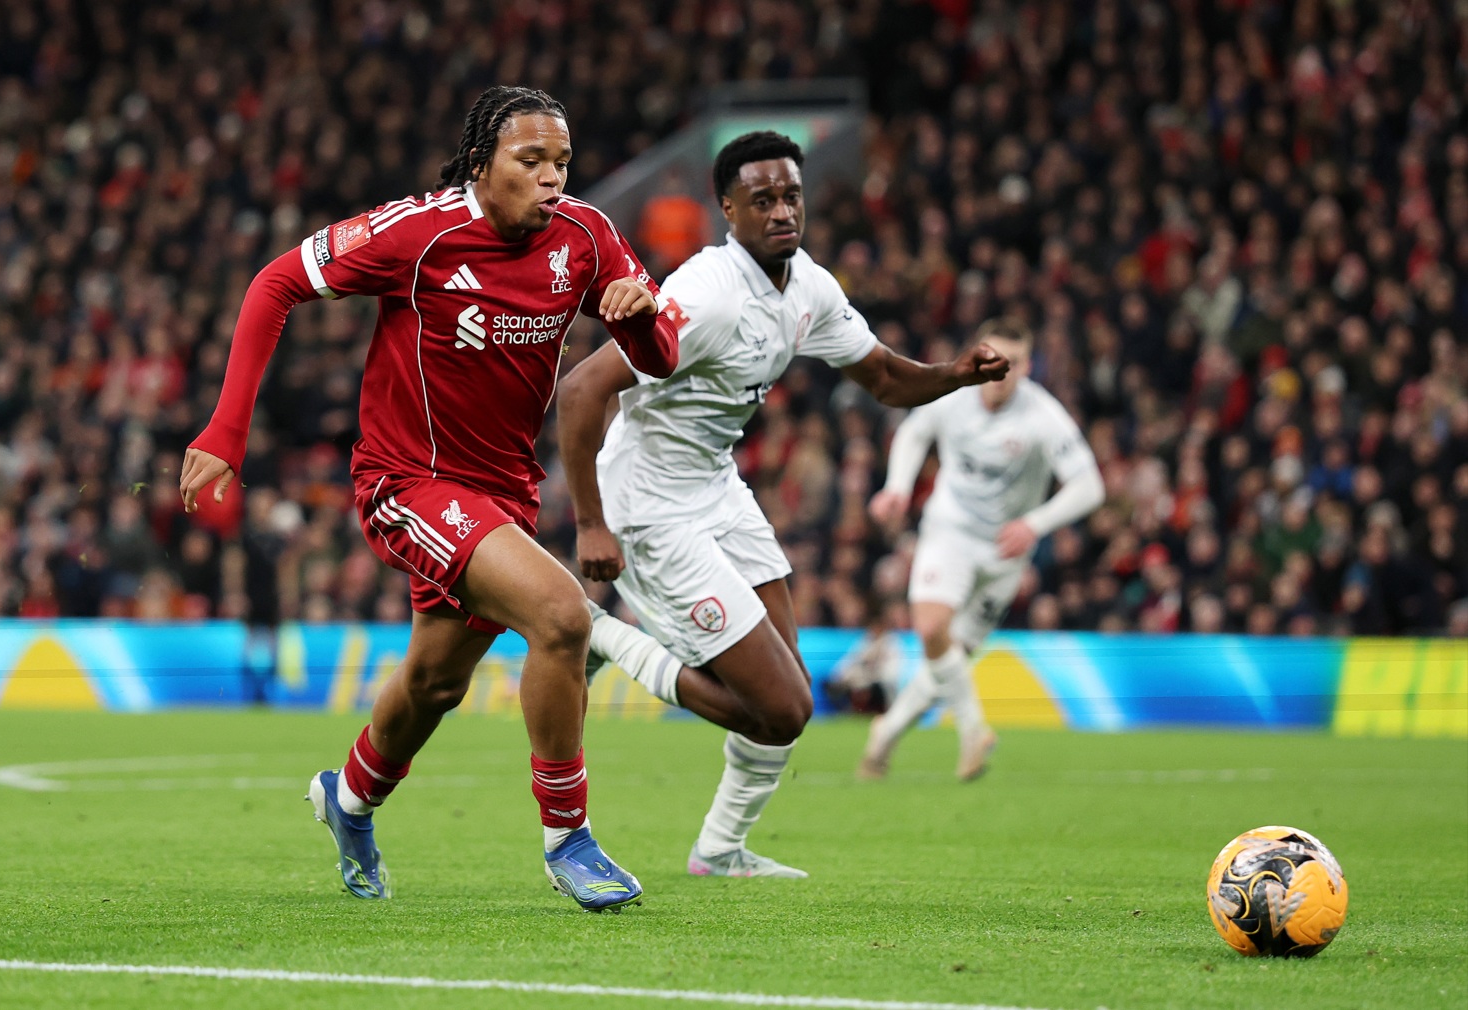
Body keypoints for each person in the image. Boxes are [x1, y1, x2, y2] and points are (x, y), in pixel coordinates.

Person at [180, 86, 678, 911]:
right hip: (406, 482)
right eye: (530, 161)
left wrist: (638, 316)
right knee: (561, 616)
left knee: (434, 685)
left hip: (504, 495)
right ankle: (568, 837)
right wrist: (227, 431)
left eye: (561, 162)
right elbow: (275, 284)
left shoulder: (586, 236)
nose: (552, 178)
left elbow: (657, 357)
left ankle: (345, 802)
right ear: (482, 166)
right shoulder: (415, 232)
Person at [556, 131, 1009, 878]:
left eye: (790, 195)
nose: (780, 211)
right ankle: (602, 637)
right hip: (650, 507)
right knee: (782, 709)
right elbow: (581, 391)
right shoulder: (703, 295)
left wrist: (957, 373)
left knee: (786, 690)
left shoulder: (809, 288)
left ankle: (719, 850)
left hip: (714, 488)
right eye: (760, 199)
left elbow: (887, 380)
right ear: (727, 208)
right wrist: (593, 521)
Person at [859, 319, 1104, 781]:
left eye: (1012, 364)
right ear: (979, 353)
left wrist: (1035, 524)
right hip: (950, 531)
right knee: (932, 629)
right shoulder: (952, 391)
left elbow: (1090, 485)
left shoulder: (1042, 415)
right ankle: (974, 732)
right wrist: (898, 487)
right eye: (993, 359)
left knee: (948, 663)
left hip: (1006, 553)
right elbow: (914, 432)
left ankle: (884, 736)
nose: (1001, 373)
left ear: (1028, 367)